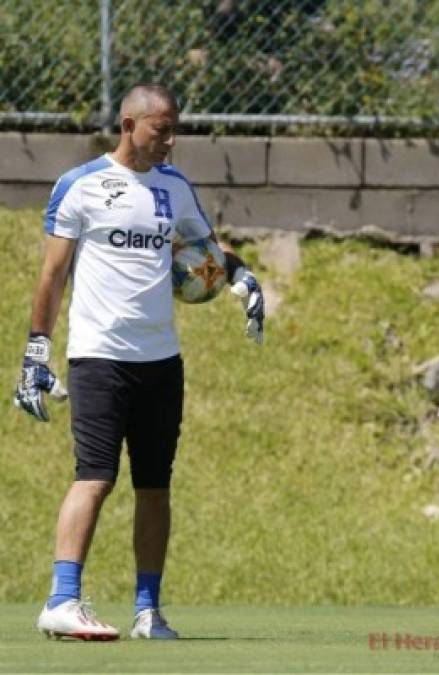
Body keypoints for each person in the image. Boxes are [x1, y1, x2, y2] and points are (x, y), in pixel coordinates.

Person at [14, 83, 265, 641]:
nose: (170, 142)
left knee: (156, 486)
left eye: (175, 131)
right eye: (161, 131)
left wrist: (242, 275)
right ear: (130, 124)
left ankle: (148, 613)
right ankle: (61, 599)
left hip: (161, 362)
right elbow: (52, 276)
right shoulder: (79, 186)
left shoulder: (174, 188)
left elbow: (207, 251)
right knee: (95, 477)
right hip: (99, 358)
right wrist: (37, 350)